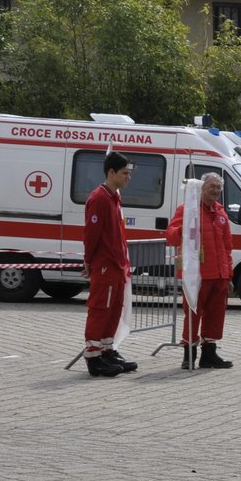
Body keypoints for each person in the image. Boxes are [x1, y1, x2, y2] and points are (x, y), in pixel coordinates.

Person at [165, 173, 236, 371]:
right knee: (192, 315)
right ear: (201, 188)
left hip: (219, 275)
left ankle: (209, 355)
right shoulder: (188, 209)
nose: (215, 191)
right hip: (196, 274)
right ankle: (189, 355)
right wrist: (183, 229)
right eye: (211, 186)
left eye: (218, 187)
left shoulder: (221, 213)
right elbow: (170, 236)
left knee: (215, 316)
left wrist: (228, 274)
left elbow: (227, 246)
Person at [81, 151, 136, 377]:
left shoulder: (115, 197)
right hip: (105, 264)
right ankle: (93, 356)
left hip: (117, 265)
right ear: (111, 172)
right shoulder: (99, 198)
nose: (128, 178)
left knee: (113, 310)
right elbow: (91, 235)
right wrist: (89, 261)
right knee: (100, 309)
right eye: (124, 173)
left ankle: (107, 349)